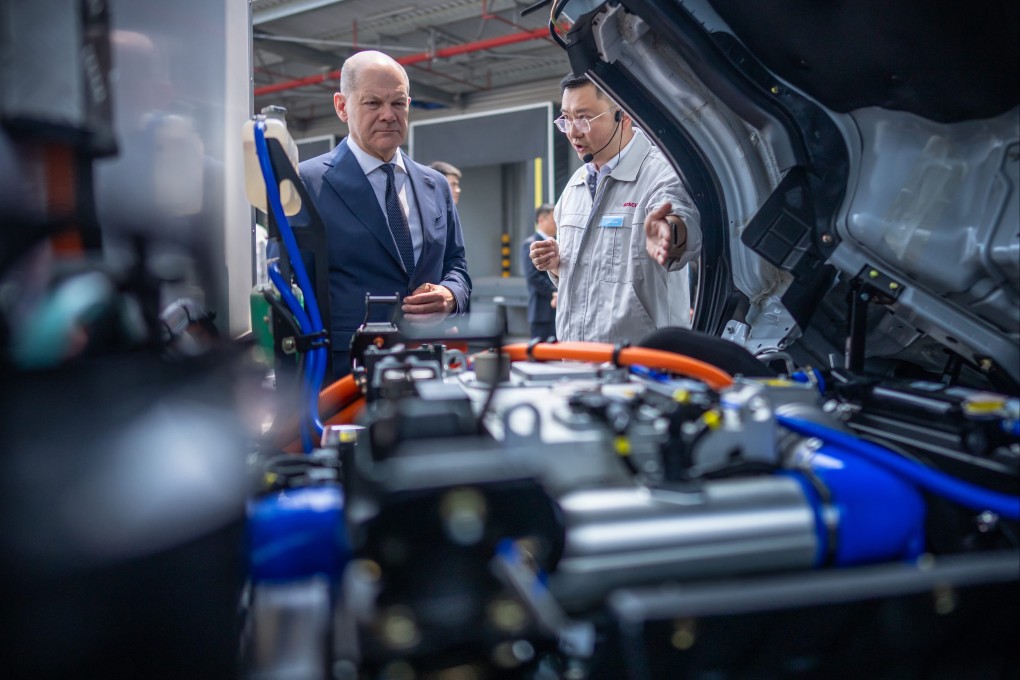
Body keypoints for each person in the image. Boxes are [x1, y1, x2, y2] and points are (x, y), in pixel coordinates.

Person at [298, 50, 471, 378]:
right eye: (373, 103)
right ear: (341, 106)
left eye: (399, 103)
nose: (389, 115)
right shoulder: (308, 183)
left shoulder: (435, 185)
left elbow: (457, 266)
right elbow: (296, 288)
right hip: (345, 372)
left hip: (427, 363)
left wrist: (450, 295)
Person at [530, 73, 701, 344]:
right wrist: (556, 265)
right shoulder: (576, 185)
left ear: (624, 114)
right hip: (575, 360)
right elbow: (590, 278)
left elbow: (683, 224)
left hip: (642, 367)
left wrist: (670, 234)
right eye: (566, 119)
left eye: (584, 118)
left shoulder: (661, 173)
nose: (573, 132)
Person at [521, 204, 557, 340]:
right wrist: (555, 291)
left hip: (557, 310)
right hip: (541, 311)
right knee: (541, 355)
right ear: (542, 220)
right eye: (554, 220)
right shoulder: (531, 244)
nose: (557, 224)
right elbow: (533, 276)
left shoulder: (558, 244)